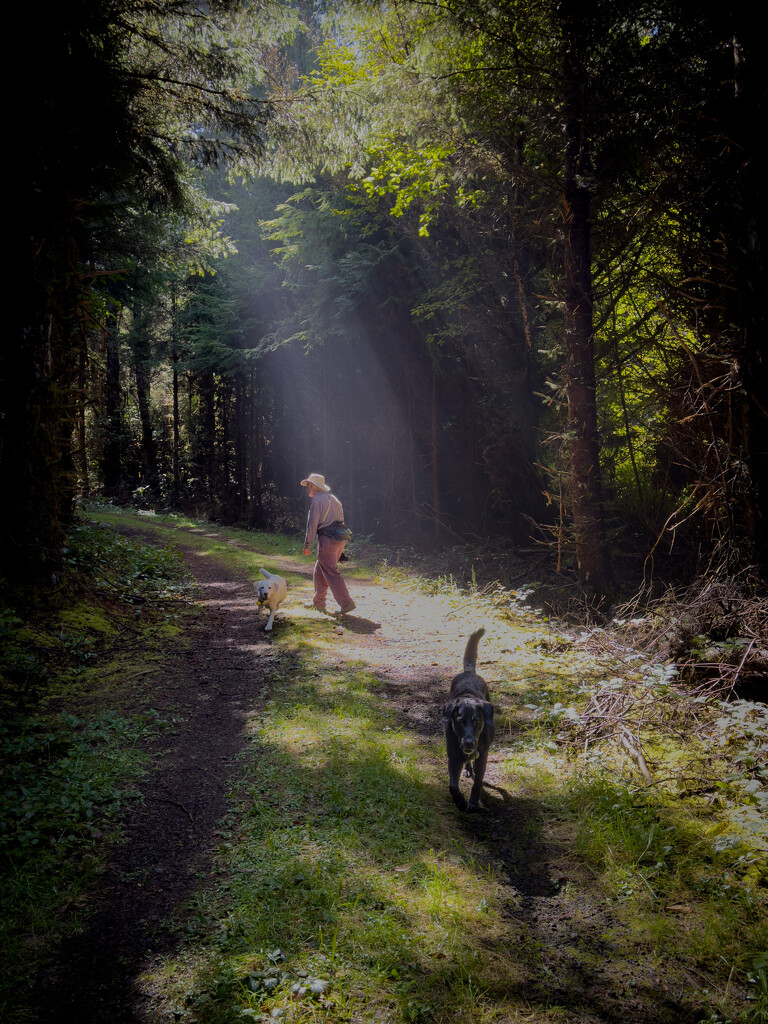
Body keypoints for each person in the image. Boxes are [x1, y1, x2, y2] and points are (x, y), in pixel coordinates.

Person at [300, 473, 356, 615]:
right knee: (320, 570)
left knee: (330, 571)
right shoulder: (334, 499)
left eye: (308, 485)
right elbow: (340, 521)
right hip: (339, 539)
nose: (307, 488)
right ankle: (319, 603)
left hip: (327, 539)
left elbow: (312, 524)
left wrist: (307, 545)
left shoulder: (317, 500)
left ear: (313, 486)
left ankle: (346, 603)